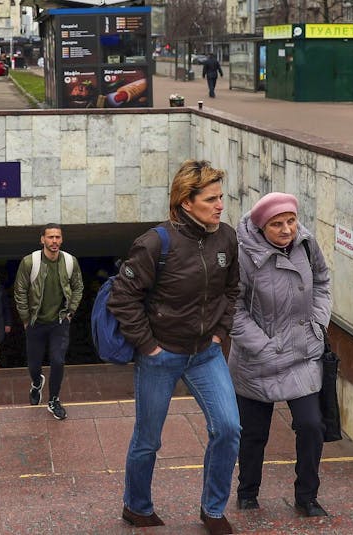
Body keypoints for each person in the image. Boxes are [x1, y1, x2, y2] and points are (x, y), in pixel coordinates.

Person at [108, 160, 241, 533]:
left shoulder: (226, 237)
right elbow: (122, 298)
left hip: (206, 353)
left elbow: (232, 290)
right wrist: (150, 347)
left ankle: (213, 510)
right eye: (212, 199)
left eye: (221, 197)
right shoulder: (155, 243)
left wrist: (219, 334)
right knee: (148, 439)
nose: (220, 205)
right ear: (186, 202)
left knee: (229, 428)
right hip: (161, 355)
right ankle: (136, 506)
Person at [229, 192, 332, 518]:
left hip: (302, 352)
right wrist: (263, 345)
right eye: (277, 224)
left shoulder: (306, 243)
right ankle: (247, 493)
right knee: (253, 433)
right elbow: (233, 309)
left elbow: (322, 281)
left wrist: (317, 323)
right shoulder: (242, 254)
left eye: (290, 220)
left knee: (311, 425)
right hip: (257, 358)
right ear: (262, 227)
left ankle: (307, 496)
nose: (287, 228)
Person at [12, 224, 83, 421]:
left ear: (62, 239)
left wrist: (70, 312)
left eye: (57, 237)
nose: (54, 241)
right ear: (42, 239)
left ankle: (53, 400)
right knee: (34, 364)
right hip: (36, 322)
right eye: (50, 237)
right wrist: (26, 319)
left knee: (58, 361)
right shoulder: (30, 262)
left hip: (59, 321)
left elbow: (78, 287)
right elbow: (20, 291)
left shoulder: (70, 261)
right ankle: (36, 383)